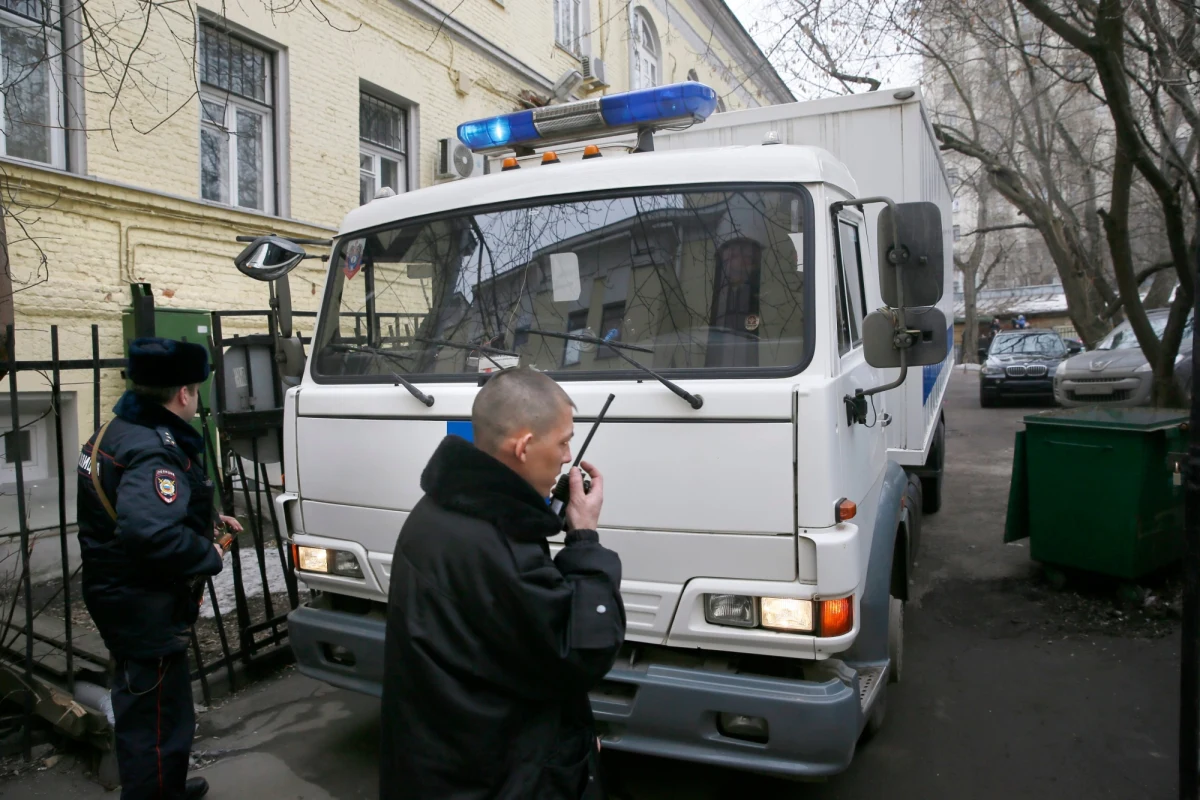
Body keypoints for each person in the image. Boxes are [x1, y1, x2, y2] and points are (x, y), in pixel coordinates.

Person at [381, 367, 626, 800]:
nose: (569, 456)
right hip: (496, 778)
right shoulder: (500, 546)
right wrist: (584, 540)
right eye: (564, 441)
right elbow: (581, 653)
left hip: (438, 760)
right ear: (525, 447)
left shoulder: (436, 511)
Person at [78, 338, 240, 800]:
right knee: (153, 720)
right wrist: (210, 554)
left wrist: (206, 522)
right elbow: (151, 533)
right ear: (184, 393)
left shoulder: (120, 428)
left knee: (162, 707)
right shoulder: (154, 448)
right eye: (195, 390)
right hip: (139, 601)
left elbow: (136, 504)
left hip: (121, 592)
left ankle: (164, 786)